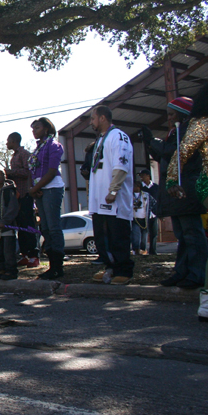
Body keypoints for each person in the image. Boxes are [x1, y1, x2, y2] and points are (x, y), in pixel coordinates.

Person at [166, 80, 208, 322]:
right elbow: (180, 154)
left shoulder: (207, 122)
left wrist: (170, 181)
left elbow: (180, 154)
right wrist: (170, 182)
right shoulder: (203, 122)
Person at [141, 96, 207, 288]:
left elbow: (173, 152)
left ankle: (197, 274)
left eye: (171, 113)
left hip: (186, 189)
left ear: (183, 113)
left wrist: (152, 141)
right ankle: (182, 271)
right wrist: (151, 144)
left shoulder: (190, 129)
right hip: (176, 190)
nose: (168, 117)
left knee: (192, 234)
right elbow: (164, 154)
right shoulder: (175, 131)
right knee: (183, 234)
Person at [87, 106, 135, 285]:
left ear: (102, 118)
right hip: (99, 200)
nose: (91, 122)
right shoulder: (100, 140)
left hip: (113, 200)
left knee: (118, 235)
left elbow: (121, 165)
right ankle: (110, 268)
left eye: (93, 119)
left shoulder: (119, 137)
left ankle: (124, 270)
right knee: (103, 237)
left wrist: (113, 190)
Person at [28, 118, 66, 280]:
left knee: (53, 226)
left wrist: (34, 189)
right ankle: (51, 266)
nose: (34, 131)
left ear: (46, 128)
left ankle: (57, 267)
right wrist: (35, 189)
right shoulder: (38, 148)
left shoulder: (54, 146)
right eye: (32, 128)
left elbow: (51, 171)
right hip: (40, 190)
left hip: (51, 189)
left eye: (37, 127)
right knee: (45, 227)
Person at [5, 132, 40, 267]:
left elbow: (28, 172)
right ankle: (24, 255)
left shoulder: (24, 154)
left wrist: (11, 172)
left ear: (14, 141)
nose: (7, 143)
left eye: (8, 141)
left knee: (28, 225)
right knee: (20, 226)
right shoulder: (14, 156)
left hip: (25, 195)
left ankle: (34, 255)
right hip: (17, 197)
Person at [139, 169, 159, 255]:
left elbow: (159, 200)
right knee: (144, 232)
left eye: (143, 175)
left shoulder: (156, 187)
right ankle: (143, 250)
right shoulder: (141, 188)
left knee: (154, 232)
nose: (141, 178)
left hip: (153, 214)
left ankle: (153, 251)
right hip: (144, 213)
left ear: (148, 176)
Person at [131, 181, 149, 255]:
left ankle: (143, 249)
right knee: (136, 234)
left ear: (138, 187)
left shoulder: (145, 195)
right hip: (135, 217)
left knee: (144, 236)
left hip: (144, 218)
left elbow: (150, 205)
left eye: (135, 186)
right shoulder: (130, 195)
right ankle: (136, 250)